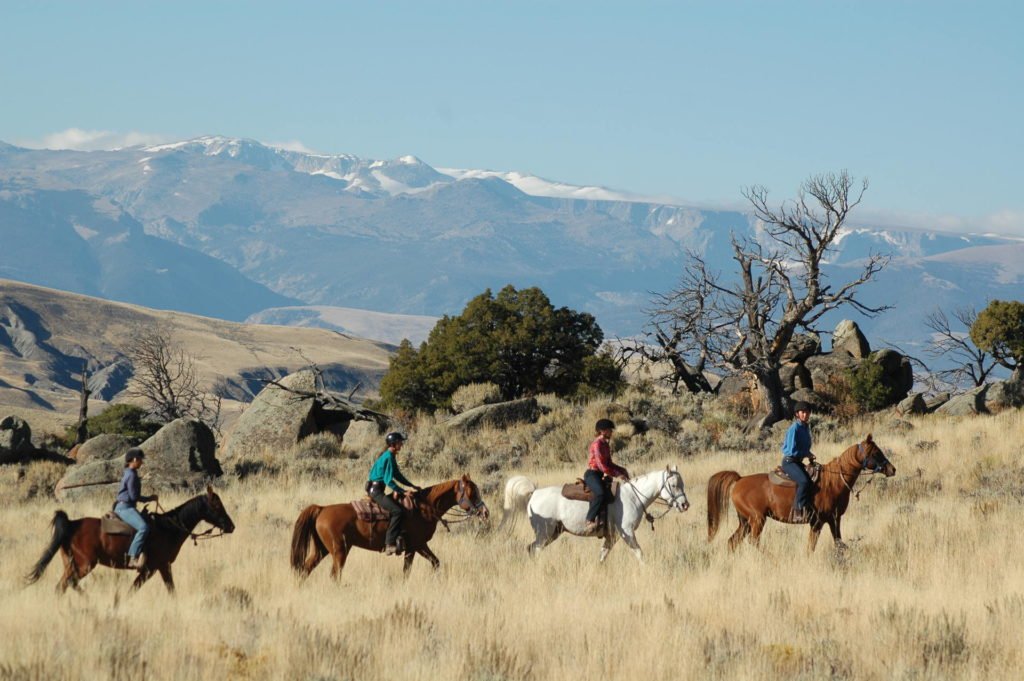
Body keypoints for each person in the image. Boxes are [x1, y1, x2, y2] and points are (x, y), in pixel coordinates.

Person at [366, 432, 421, 556]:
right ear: (394, 444)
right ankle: (390, 543)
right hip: (376, 491)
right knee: (397, 511)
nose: (401, 444)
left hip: (376, 489)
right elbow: (388, 480)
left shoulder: (389, 455)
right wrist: (403, 491)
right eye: (400, 442)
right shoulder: (389, 456)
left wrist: (411, 485)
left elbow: (397, 475)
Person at [114, 447, 158, 569]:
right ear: (134, 459)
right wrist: (150, 498)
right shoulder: (132, 475)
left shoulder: (129, 473)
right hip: (125, 508)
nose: (141, 463)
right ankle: (133, 557)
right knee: (144, 527)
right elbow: (134, 497)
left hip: (124, 506)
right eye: (140, 460)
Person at [583, 418, 630, 535]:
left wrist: (622, 470)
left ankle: (605, 522)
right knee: (600, 493)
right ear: (602, 431)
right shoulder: (597, 444)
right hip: (592, 474)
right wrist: (618, 474)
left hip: (599, 475)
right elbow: (602, 466)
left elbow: (609, 464)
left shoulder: (606, 445)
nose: (611, 432)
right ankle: (589, 519)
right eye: (610, 430)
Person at [781, 401, 817, 522]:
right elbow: (791, 450)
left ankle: (810, 508)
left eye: (807, 412)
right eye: (803, 412)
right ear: (797, 414)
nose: (805, 414)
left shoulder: (805, 427)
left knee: (814, 479)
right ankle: (798, 510)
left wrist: (808, 454)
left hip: (798, 461)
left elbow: (804, 447)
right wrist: (806, 454)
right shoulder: (794, 428)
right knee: (804, 482)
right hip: (790, 462)